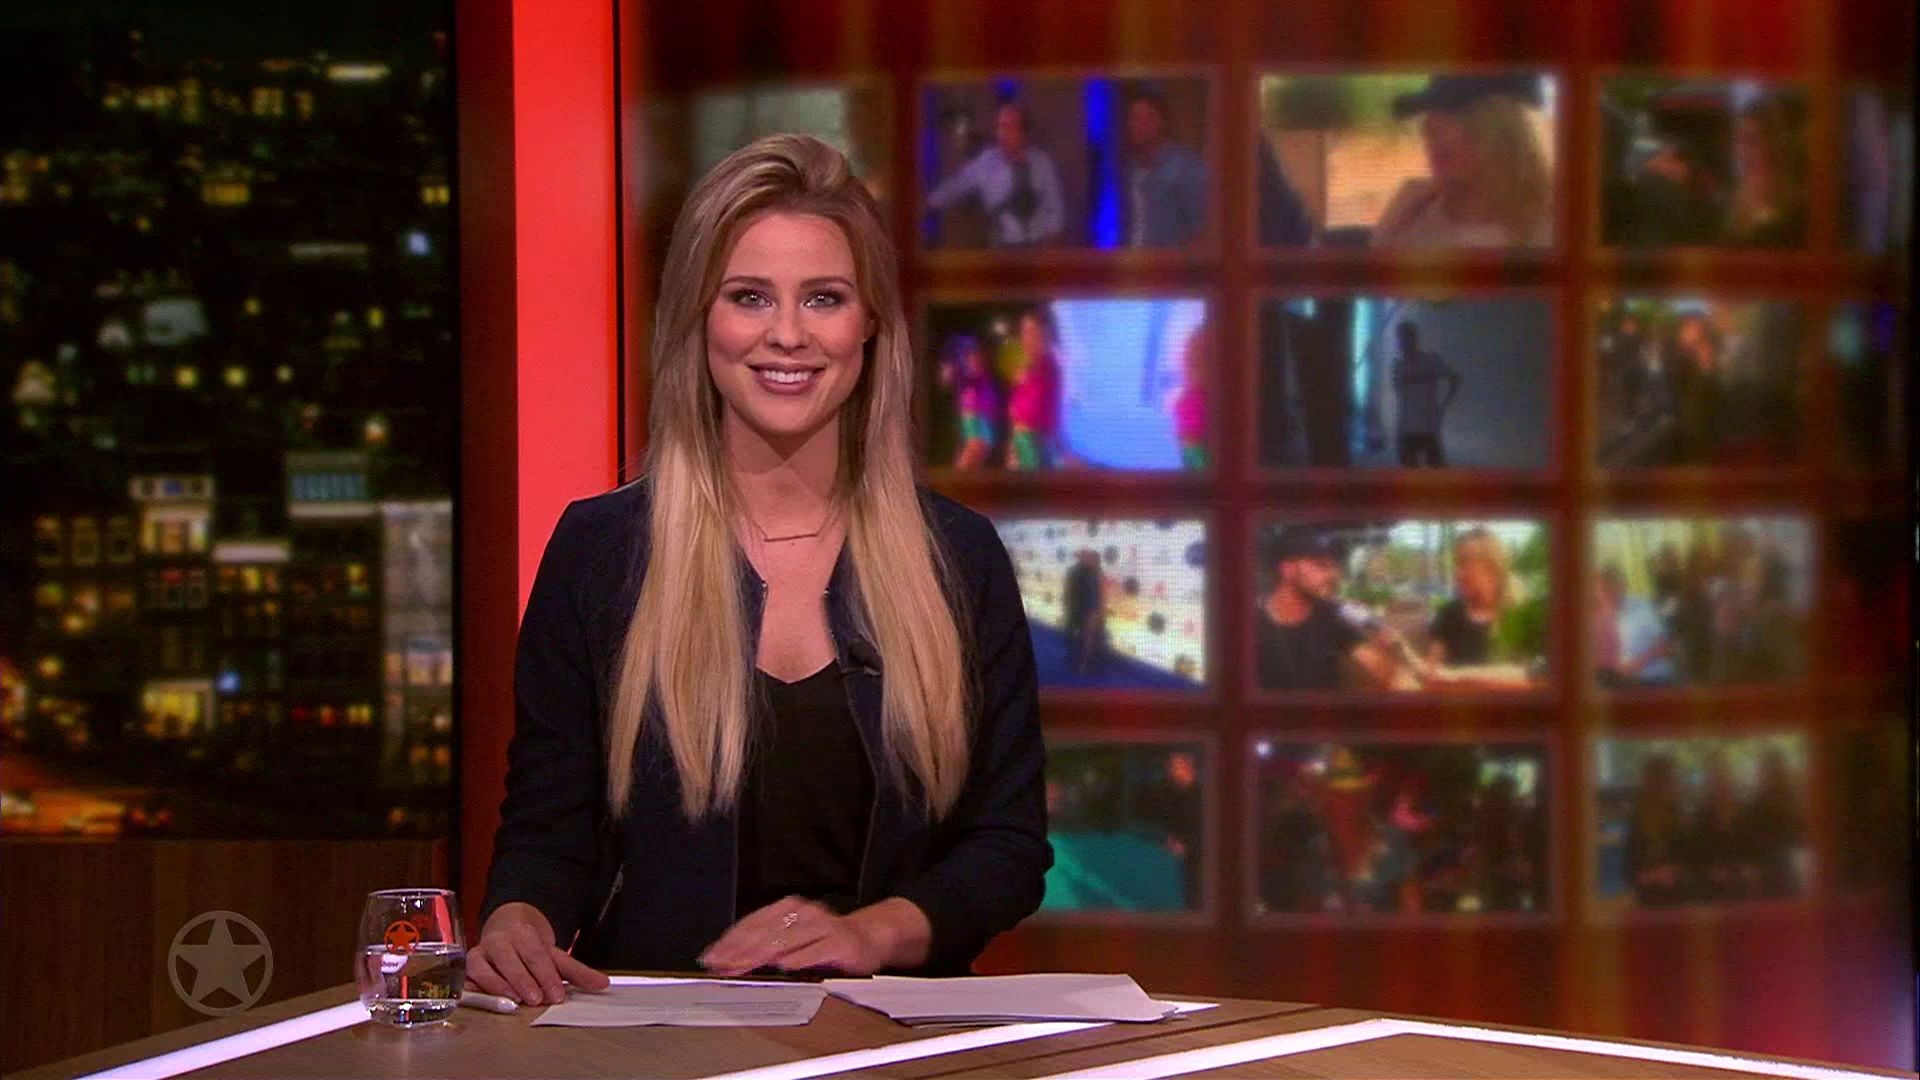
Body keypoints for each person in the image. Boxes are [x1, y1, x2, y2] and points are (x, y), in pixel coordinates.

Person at [469, 135, 1052, 1005]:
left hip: (884, 1035)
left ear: (869, 324)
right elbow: (550, 833)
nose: (787, 334)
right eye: (749, 297)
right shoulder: (602, 551)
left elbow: (1007, 847)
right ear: (699, 319)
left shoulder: (957, 558)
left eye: (824, 298)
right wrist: (517, 920)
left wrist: (868, 934)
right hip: (657, 1035)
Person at [1373, 73, 1553, 248]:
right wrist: (1386, 235)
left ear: (1510, 129)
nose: (1429, 127)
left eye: (1455, 113)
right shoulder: (1413, 215)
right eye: (1431, 112)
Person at [1253, 529, 1400, 692]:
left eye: (1335, 567)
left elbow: (1385, 672)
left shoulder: (1332, 616)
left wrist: (1384, 647)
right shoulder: (1253, 625)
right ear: (1288, 570)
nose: (1335, 575)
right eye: (1322, 565)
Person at [926, 100, 1065, 248]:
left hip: (1038, 246)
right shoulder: (987, 161)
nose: (1001, 133)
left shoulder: (1042, 163)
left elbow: (1055, 205)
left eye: (1008, 127)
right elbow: (958, 184)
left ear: (1023, 132)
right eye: (999, 127)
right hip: (1002, 247)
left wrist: (1052, 238)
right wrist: (929, 203)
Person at [1122, 85, 1208, 247]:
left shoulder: (1186, 167)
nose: (1138, 125)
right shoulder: (1128, 169)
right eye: (1133, 118)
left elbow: (1202, 231)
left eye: (1146, 118)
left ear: (1161, 122)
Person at [1426, 527, 1509, 667]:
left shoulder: (1518, 614)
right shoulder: (1448, 614)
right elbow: (1432, 670)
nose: (1457, 574)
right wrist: (1402, 650)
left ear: (1491, 568)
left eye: (1464, 564)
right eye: (1457, 565)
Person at [1388, 321, 1461, 467]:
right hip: (1407, 429)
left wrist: (1443, 406)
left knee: (1435, 473)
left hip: (1428, 427)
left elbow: (1454, 379)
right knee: (1409, 473)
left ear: (1415, 338)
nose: (1404, 342)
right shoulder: (1398, 366)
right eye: (1401, 339)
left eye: (1407, 337)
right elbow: (1400, 395)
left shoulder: (1431, 360)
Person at [1594, 564, 1678, 687]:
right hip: (1622, 680)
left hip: (1653, 679)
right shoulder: (1602, 615)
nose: (1605, 594)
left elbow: (1667, 647)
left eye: (1610, 587)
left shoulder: (1642, 607)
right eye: (1601, 590)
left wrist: (1638, 663)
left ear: (1623, 586)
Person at [1006, 308, 1063, 470]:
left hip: (1038, 454)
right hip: (1021, 447)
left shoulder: (1055, 369)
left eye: (1032, 332)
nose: (1025, 339)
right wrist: (1013, 446)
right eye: (1024, 332)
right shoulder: (1026, 372)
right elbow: (1015, 411)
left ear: (1047, 335)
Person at [936, 334, 1001, 470]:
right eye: (970, 358)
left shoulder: (987, 384)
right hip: (968, 433)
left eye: (976, 357)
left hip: (981, 431)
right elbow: (945, 381)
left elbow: (986, 427)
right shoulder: (964, 381)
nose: (973, 361)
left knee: (968, 464)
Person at [1060, 548, 1107, 676]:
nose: (1088, 560)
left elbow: (1101, 597)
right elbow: (1070, 591)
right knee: (1081, 637)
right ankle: (1079, 661)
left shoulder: (1098, 575)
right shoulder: (1080, 572)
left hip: (1092, 611)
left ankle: (1083, 665)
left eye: (1091, 558)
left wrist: (1100, 613)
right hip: (1081, 610)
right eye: (1087, 557)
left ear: (1096, 561)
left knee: (1088, 639)